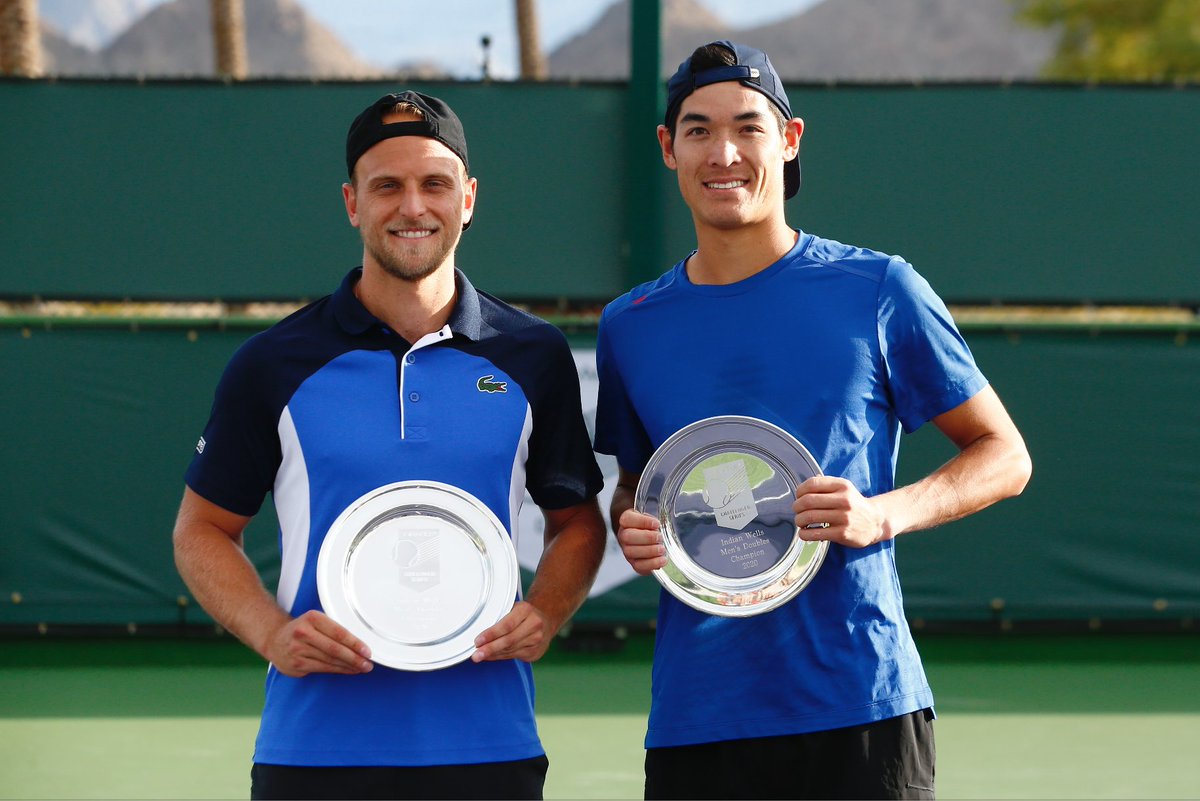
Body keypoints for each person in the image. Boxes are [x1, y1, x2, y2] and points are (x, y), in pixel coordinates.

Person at [595, 41, 1032, 800]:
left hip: (858, 704)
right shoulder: (629, 324)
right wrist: (631, 521)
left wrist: (881, 513)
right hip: (698, 718)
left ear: (789, 139)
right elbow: (637, 486)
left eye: (748, 128)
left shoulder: (878, 287)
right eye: (697, 130)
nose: (722, 152)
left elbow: (1004, 453)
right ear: (669, 149)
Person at [173, 90, 606, 800]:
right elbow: (202, 531)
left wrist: (547, 611)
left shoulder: (533, 355)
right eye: (387, 186)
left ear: (467, 198)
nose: (413, 206)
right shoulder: (273, 362)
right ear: (352, 202)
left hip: (489, 745)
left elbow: (576, 524)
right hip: (314, 749)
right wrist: (272, 634)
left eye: (434, 183)